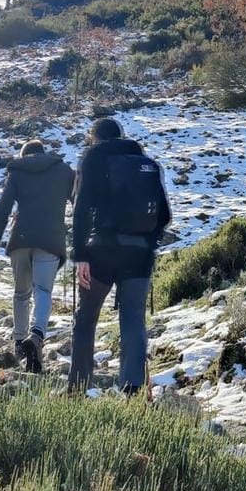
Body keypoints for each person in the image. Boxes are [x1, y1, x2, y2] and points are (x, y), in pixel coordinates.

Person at [67, 117, 171, 394]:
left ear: (95, 137)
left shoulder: (93, 158)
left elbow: (82, 207)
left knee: (86, 317)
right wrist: (148, 242)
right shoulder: (145, 163)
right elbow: (164, 215)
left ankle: (78, 387)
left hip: (102, 251)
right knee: (134, 319)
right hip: (140, 255)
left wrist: (80, 256)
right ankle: (132, 389)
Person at [0, 139, 75, 372]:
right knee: (42, 291)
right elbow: (79, 204)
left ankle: (19, 343)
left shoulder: (17, 172)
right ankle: (37, 334)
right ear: (44, 152)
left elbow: (2, 210)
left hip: (21, 240)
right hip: (50, 240)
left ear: (24, 155)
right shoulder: (65, 171)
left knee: (21, 294)